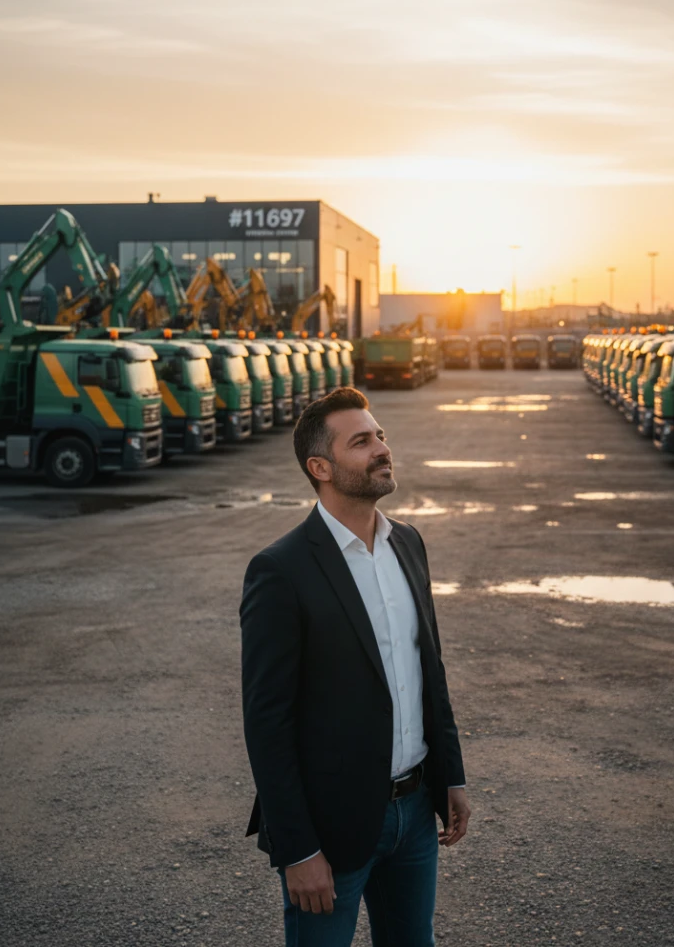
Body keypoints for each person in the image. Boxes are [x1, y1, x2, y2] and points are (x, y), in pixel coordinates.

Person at [241, 386, 470, 946]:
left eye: (381, 436)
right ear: (321, 467)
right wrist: (298, 849)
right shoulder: (281, 570)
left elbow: (429, 672)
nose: (381, 449)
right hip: (331, 826)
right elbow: (267, 723)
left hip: (415, 812)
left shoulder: (408, 544)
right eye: (362, 442)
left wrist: (451, 775)